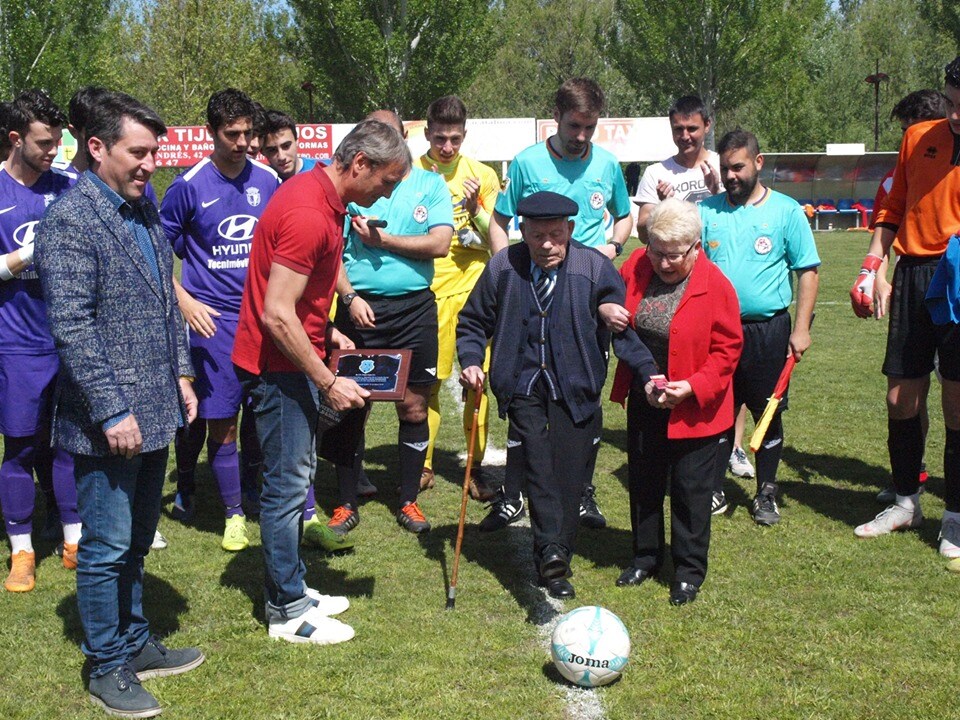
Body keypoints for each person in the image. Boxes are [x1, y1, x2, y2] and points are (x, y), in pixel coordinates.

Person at [35, 90, 204, 718]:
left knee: (135, 538)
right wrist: (111, 410)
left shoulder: (143, 208)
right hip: (108, 421)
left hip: (157, 406)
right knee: (105, 547)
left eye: (155, 153)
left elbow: (167, 296)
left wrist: (183, 374)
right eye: (139, 152)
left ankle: (136, 643)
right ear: (98, 147)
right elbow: (72, 327)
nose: (150, 164)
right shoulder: (71, 220)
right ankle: (107, 665)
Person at [231, 118, 409, 644]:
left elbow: (292, 297)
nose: (386, 194)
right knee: (286, 488)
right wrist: (327, 381)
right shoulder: (310, 211)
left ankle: (294, 586)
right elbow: (277, 315)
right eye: (387, 182)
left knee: (296, 476)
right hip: (278, 366)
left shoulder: (321, 198)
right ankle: (285, 612)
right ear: (360, 164)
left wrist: (327, 329)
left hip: (292, 357)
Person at [457, 191, 657, 599]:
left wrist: (649, 373)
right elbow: (473, 320)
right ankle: (550, 553)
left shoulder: (594, 268)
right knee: (536, 462)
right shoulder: (503, 267)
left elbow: (622, 326)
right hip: (522, 383)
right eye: (535, 235)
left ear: (570, 229)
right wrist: (472, 359)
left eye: (554, 234)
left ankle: (557, 553)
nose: (546, 245)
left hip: (576, 385)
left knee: (568, 477)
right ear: (522, 232)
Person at [489, 77, 633, 530]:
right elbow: (498, 220)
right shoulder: (528, 162)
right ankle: (512, 495)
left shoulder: (608, 164)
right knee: (522, 386)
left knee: (583, 395)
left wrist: (611, 248)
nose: (582, 136)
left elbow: (625, 215)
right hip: (533, 287)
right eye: (575, 126)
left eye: (590, 127)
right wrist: (504, 270)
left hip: (584, 294)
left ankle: (583, 492)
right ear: (557, 117)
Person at [849, 58, 960, 562]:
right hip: (916, 272)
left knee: (957, 401)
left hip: (959, 272)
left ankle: (954, 515)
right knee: (901, 396)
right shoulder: (918, 136)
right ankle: (906, 501)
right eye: (952, 103)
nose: (955, 115)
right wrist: (873, 265)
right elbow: (892, 209)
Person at [159, 88, 279, 552]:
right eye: (232, 134)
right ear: (212, 132)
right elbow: (152, 255)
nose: (243, 142)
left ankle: (265, 497)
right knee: (221, 421)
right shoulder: (188, 185)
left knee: (265, 416)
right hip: (213, 322)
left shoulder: (268, 180)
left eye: (248, 133)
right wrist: (183, 301)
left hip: (263, 319)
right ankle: (232, 516)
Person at [610, 198, 742, 605]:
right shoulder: (636, 265)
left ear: (696, 248)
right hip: (646, 395)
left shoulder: (715, 284)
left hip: (695, 409)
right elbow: (618, 312)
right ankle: (646, 555)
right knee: (644, 483)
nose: (664, 263)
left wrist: (692, 387)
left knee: (690, 491)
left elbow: (728, 350)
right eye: (657, 251)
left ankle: (688, 571)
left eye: (674, 255)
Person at [331, 110, 453, 535]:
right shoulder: (348, 184)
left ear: (403, 138)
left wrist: (382, 241)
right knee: (349, 404)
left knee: (414, 405)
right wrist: (350, 295)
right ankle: (345, 502)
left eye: (391, 134)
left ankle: (408, 499)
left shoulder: (429, 183)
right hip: (358, 309)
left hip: (413, 310)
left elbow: (440, 243)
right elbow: (329, 255)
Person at [700, 128, 820, 524]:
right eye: (725, 168)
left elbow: (807, 271)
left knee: (766, 413)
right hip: (718, 333)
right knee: (716, 410)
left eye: (738, 167)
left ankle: (766, 492)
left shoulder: (785, 211)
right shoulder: (707, 211)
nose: (731, 175)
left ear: (758, 163)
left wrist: (800, 329)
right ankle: (714, 488)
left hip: (768, 331)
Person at [0, 89, 80, 591]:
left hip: (71, 340)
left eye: (58, 142)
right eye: (45, 142)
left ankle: (75, 536)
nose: (54, 151)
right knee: (22, 447)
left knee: (72, 443)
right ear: (15, 138)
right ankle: (23, 550)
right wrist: (25, 257)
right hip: (17, 345)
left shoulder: (69, 186)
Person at [417, 95, 501, 500]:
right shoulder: (408, 172)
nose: (447, 147)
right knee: (427, 385)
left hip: (472, 295)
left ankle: (475, 466)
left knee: (476, 384)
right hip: (424, 295)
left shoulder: (482, 176)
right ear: (427, 133)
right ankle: (424, 464)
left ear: (464, 135)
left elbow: (497, 241)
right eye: (439, 138)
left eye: (454, 139)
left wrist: (476, 215)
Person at [868, 89, 946, 504]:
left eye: (905, 131)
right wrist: (875, 274)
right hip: (911, 279)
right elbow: (888, 217)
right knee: (906, 393)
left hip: (950, 280)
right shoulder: (899, 170)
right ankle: (909, 484)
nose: (903, 140)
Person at [633, 95, 721, 242]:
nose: (685, 136)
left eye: (692, 129)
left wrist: (718, 193)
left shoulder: (723, 166)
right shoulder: (656, 173)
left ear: (707, 125)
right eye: (678, 129)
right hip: (676, 261)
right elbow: (643, 235)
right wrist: (662, 208)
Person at [259, 109, 318, 180]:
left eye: (286, 146)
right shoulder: (262, 183)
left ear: (297, 141)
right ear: (262, 152)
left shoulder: (321, 171)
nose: (281, 157)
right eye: (272, 150)